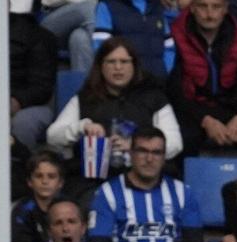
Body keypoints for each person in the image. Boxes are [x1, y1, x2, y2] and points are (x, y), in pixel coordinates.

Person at [88, 127, 203, 242]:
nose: (149, 159)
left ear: (164, 157)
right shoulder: (107, 193)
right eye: (142, 151)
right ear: (131, 153)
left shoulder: (182, 192)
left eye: (156, 152)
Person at [45, 38, 184, 172]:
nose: (118, 67)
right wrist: (82, 127)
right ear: (101, 66)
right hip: (93, 180)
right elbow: (53, 137)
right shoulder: (85, 97)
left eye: (124, 62)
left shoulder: (154, 97)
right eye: (111, 62)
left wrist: (136, 147)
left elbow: (175, 143)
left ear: (134, 65)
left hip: (142, 179)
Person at [167, 0, 237, 157]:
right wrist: (205, 119)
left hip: (231, 110)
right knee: (181, 140)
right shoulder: (175, 36)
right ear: (192, 7)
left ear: (225, 8)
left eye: (216, 6)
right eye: (203, 6)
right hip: (191, 112)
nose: (209, 14)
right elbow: (175, 91)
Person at [89, 0, 173, 82]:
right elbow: (102, 47)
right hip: (124, 84)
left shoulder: (155, 4)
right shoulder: (106, 5)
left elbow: (169, 45)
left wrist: (165, 70)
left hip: (158, 82)